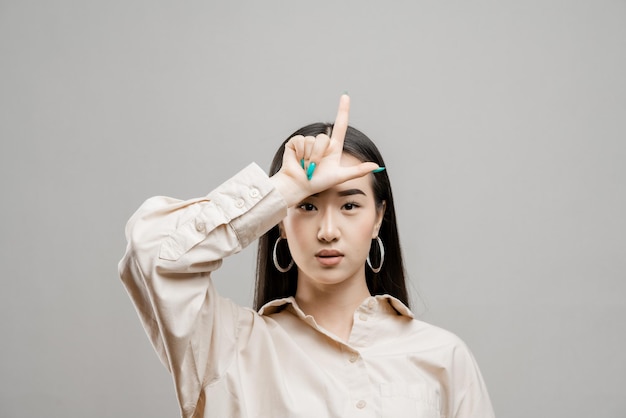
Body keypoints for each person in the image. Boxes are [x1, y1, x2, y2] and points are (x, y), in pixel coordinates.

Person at [119, 94, 495, 418]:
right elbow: (151, 250)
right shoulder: (230, 347)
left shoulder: (444, 357)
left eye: (350, 205)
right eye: (307, 207)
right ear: (280, 221)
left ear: (379, 217)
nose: (328, 230)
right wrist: (283, 189)